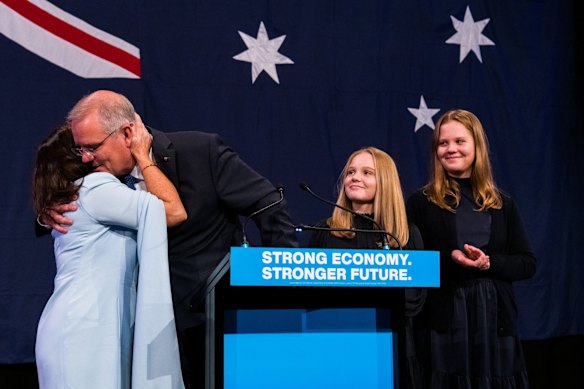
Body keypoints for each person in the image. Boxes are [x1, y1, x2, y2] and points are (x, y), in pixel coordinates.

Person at [37, 90, 299, 388]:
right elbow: (69, 198)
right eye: (80, 149)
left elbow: (266, 203)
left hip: (206, 322)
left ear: (127, 133)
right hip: (142, 331)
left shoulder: (199, 151)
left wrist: (283, 285)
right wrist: (45, 213)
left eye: (92, 147)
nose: (85, 157)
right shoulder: (98, 170)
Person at [33, 123, 187, 388]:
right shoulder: (95, 188)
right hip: (85, 331)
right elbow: (173, 212)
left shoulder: (80, 192)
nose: (91, 153)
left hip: (83, 327)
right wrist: (143, 156)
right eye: (87, 147)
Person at [406, 109, 536, 388]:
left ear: (477, 146)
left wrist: (489, 263)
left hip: (495, 320)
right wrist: (450, 259)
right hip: (443, 321)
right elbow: (411, 264)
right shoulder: (420, 202)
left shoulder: (503, 204)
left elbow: (527, 263)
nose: (450, 149)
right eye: (443, 143)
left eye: (459, 141)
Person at [308, 146, 425, 388]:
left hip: (392, 346)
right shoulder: (325, 231)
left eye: (367, 172)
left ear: (385, 182)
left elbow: (415, 297)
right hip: (338, 346)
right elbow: (311, 291)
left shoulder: (405, 235)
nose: (355, 177)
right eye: (351, 172)